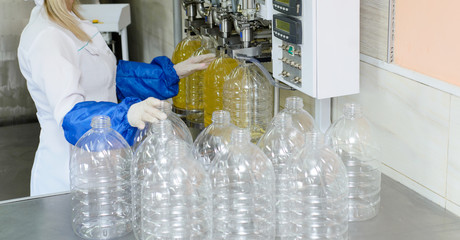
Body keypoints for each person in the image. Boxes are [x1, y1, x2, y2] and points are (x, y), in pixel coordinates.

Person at [17, 0, 214, 196]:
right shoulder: (47, 37)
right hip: (69, 180)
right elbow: (71, 116)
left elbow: (111, 78)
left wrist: (170, 74)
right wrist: (126, 115)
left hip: (103, 167)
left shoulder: (70, 20)